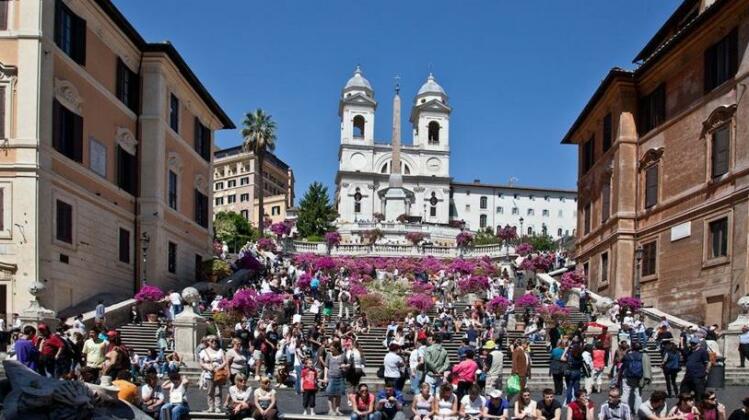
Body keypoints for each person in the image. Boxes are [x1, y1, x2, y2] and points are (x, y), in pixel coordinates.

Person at [620, 342, 651, 414]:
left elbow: (622, 363)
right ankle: (637, 410)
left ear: (632, 348)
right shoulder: (643, 356)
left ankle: (625, 410)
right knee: (638, 394)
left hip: (628, 376)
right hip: (638, 376)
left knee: (626, 393)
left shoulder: (628, 356)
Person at [199, 336, 228, 413]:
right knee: (210, 391)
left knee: (218, 390)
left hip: (218, 372)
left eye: (216, 340)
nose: (214, 342)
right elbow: (201, 363)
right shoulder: (203, 351)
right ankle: (211, 406)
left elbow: (225, 361)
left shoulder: (220, 350)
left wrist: (218, 368)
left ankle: (218, 406)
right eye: (212, 341)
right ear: (208, 342)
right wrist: (208, 368)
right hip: (209, 373)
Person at [324, 341, 350, 416]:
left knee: (338, 394)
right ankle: (331, 410)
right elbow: (326, 366)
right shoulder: (329, 355)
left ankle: (337, 410)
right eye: (330, 348)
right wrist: (325, 376)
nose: (330, 349)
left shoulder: (343, 355)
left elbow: (348, 364)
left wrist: (345, 367)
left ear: (337, 348)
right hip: (331, 377)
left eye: (332, 348)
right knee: (330, 393)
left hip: (340, 377)